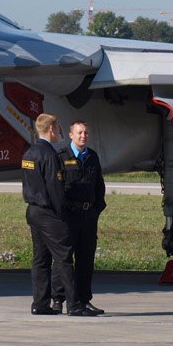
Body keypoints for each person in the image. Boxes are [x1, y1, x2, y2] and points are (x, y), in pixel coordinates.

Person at [21, 113, 75, 316]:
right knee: (64, 258)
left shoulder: (29, 153)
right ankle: (74, 304)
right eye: (58, 127)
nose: (59, 131)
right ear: (51, 128)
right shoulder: (49, 155)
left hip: (33, 210)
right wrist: (64, 214)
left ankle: (40, 303)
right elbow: (55, 188)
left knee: (40, 259)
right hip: (48, 212)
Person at [56, 120, 107, 316]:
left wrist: (97, 208)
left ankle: (84, 300)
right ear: (71, 135)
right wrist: (64, 210)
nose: (83, 136)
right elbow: (58, 187)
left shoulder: (92, 156)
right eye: (79, 133)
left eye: (85, 132)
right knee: (64, 258)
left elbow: (99, 184)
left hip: (88, 215)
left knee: (86, 259)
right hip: (69, 215)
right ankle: (58, 299)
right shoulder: (62, 157)